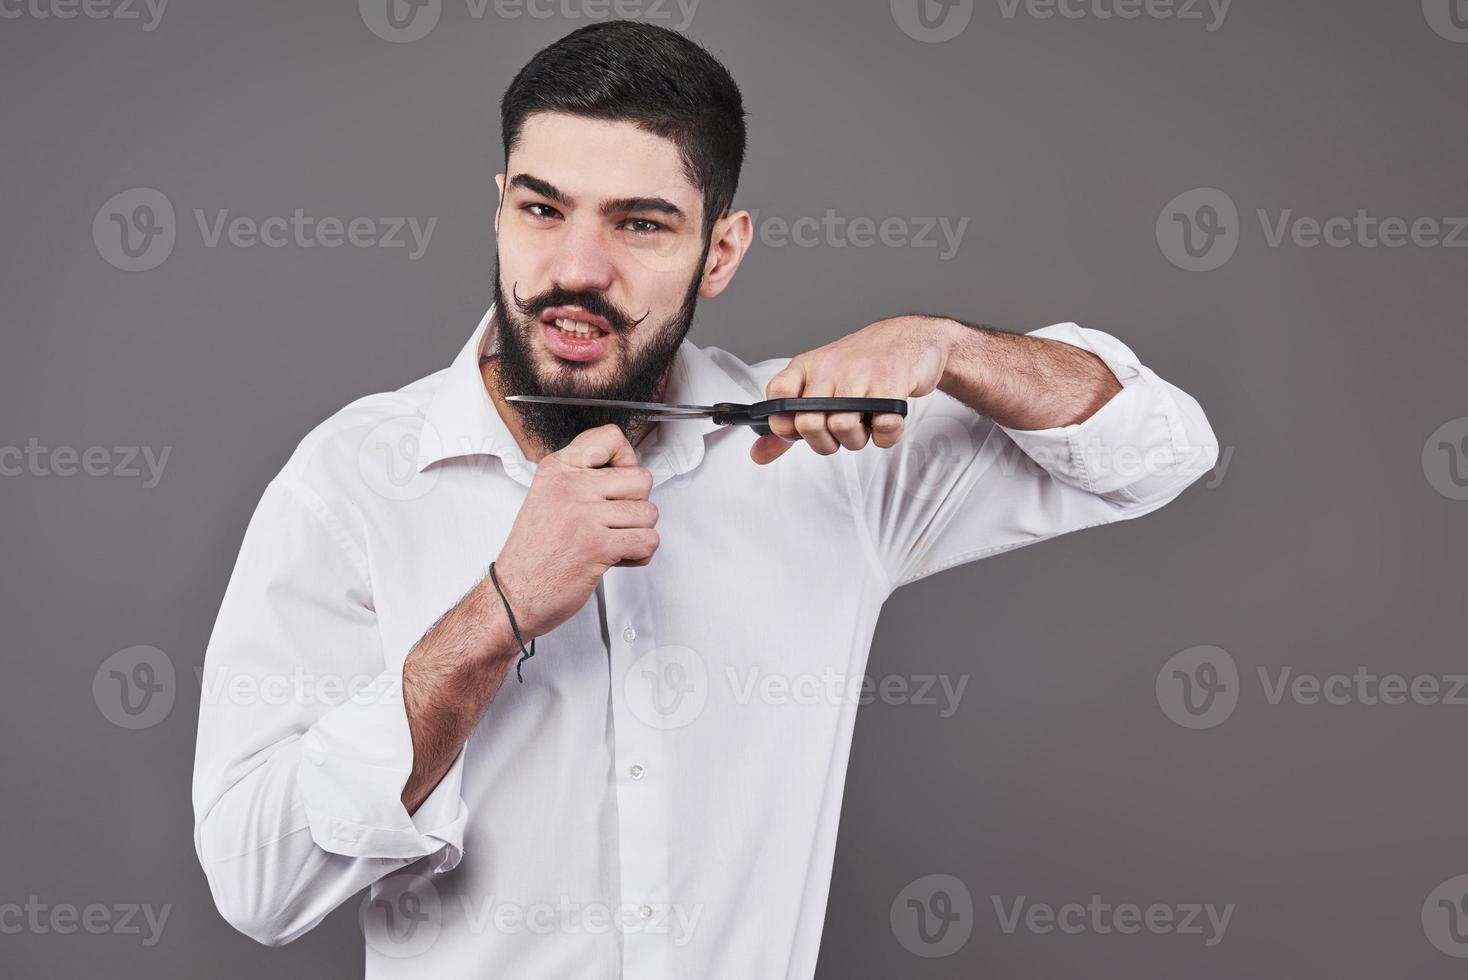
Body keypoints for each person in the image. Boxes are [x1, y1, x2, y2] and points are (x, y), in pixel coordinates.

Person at [191, 19, 1218, 978]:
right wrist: (495, 613)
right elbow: (255, 881)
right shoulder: (351, 479)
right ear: (498, 206)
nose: (575, 269)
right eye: (542, 209)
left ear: (718, 250)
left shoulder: (825, 457)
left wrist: (950, 347)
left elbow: (1158, 450)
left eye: (640, 223)